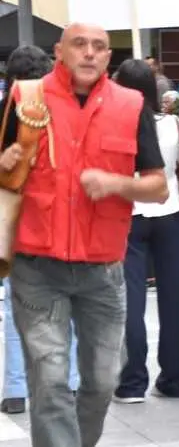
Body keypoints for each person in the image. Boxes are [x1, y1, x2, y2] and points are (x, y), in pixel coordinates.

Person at [0, 23, 167, 447]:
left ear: (109, 57)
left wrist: (117, 184)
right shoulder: (25, 97)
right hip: (36, 267)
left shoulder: (131, 106)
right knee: (51, 378)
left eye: (99, 47)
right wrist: (6, 163)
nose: (89, 53)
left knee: (103, 379)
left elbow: (158, 185)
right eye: (79, 44)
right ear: (59, 51)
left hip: (103, 268)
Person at [0, 46, 80, 415]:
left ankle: (17, 388)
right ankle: (73, 380)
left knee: (20, 306)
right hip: (63, 219)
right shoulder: (66, 110)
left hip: (18, 220)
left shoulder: (5, 111)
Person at [112, 59, 179, 403]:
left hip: (128, 214)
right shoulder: (173, 123)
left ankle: (132, 381)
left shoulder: (113, 125)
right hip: (170, 211)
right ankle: (177, 379)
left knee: (129, 299)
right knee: (178, 298)